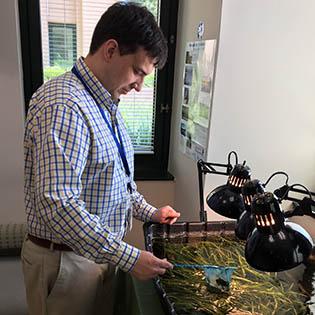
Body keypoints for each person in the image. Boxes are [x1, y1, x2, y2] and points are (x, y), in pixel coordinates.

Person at [21, 2, 180, 315]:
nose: (139, 86)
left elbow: (116, 181)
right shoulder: (64, 106)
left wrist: (150, 212)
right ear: (110, 50)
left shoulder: (106, 102)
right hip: (65, 262)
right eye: (137, 72)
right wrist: (129, 257)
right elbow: (60, 206)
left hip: (97, 255)